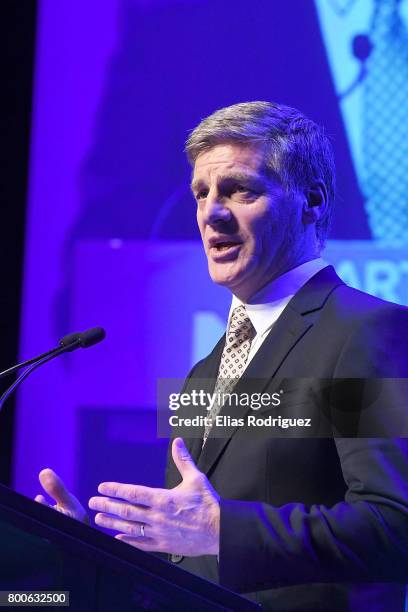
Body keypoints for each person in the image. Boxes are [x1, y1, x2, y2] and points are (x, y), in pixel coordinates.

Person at [36, 102, 408, 611]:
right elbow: (188, 558)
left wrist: (221, 528)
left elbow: (393, 527)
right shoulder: (201, 373)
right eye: (202, 193)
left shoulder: (361, 332)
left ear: (312, 201)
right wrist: (93, 553)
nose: (211, 212)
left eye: (241, 190)